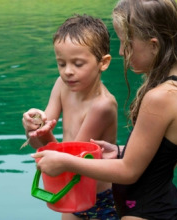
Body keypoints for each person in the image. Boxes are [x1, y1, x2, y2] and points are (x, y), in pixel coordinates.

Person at [32, 0, 177, 219]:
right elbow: (165, 158)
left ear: (154, 45)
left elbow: (129, 172)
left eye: (127, 43)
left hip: (146, 210)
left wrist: (65, 161)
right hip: (150, 205)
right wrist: (121, 151)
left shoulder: (160, 97)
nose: (122, 52)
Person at [22, 14, 119, 220]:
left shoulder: (103, 105)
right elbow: (41, 141)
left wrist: (43, 140)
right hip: (70, 185)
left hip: (99, 197)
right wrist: (32, 125)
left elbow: (73, 157)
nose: (68, 72)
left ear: (103, 62)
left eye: (78, 64)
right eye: (61, 63)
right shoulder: (61, 85)